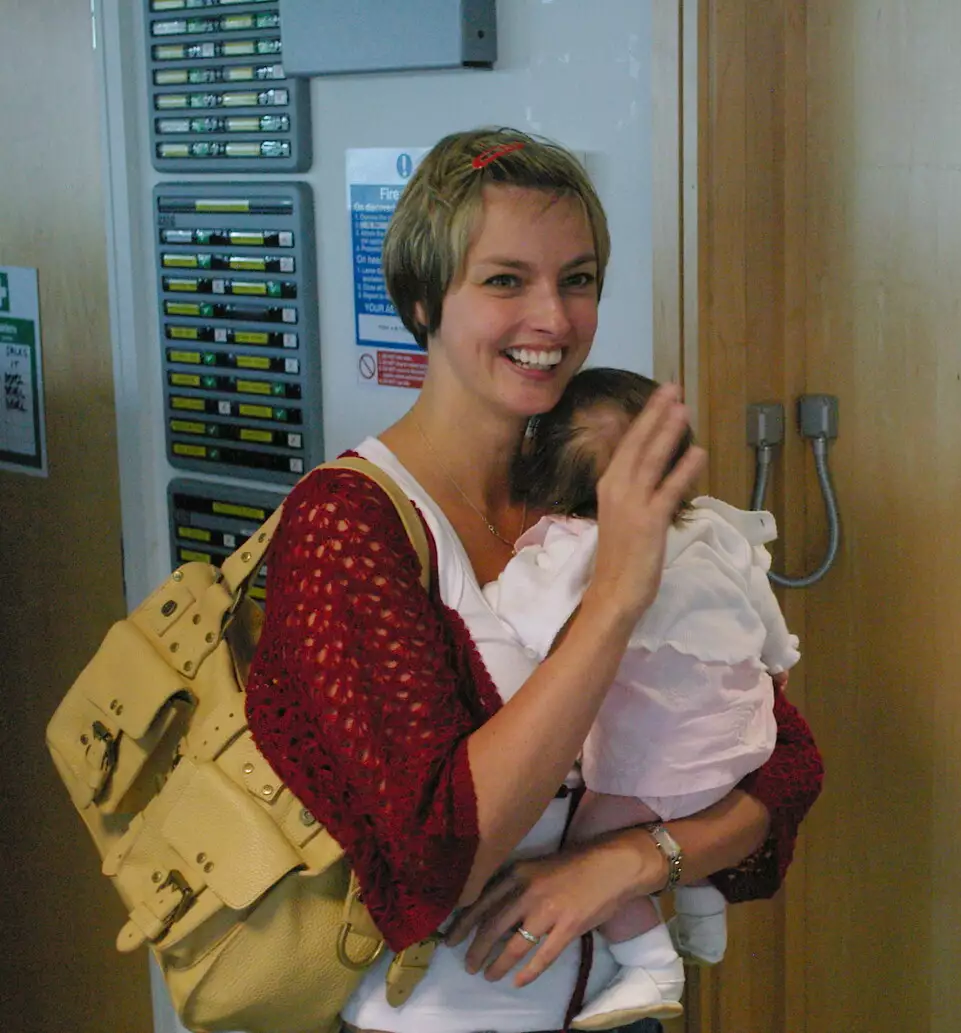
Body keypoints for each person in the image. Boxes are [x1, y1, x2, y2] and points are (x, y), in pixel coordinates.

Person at [245, 127, 824, 1033]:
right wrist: (617, 597)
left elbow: (781, 766)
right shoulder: (349, 529)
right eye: (505, 280)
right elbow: (436, 868)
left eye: (579, 278)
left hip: (616, 1009)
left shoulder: (581, 482)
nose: (554, 320)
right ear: (422, 299)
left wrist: (631, 862)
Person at [488, 365, 801, 1028]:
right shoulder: (718, 529)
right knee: (689, 805)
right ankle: (702, 908)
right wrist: (779, 662)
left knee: (592, 844)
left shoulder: (571, 553)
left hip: (664, 763)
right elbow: (766, 613)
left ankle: (651, 962)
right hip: (745, 736)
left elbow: (509, 626)